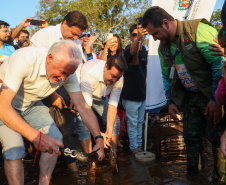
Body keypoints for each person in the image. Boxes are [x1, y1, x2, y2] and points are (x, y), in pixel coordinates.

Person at [0, 40, 104, 185]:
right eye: (62, 72)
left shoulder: (67, 72)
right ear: (50, 58)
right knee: (15, 149)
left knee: (56, 139)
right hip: (5, 103)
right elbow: (2, 106)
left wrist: (98, 138)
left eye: (68, 75)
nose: (63, 79)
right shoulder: (24, 59)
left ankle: (44, 182)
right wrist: (35, 136)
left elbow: (82, 105)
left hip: (30, 104)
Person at [142, 6, 226, 179]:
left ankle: (220, 177)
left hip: (212, 95)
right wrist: (170, 102)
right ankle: (194, 177)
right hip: (190, 98)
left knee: (217, 139)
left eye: (155, 33)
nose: (155, 39)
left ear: (166, 23)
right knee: (191, 138)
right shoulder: (163, 48)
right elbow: (166, 76)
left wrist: (215, 100)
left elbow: (218, 66)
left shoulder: (198, 31)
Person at [75, 54, 128, 157]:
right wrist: (99, 135)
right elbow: (86, 110)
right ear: (105, 67)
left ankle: (113, 156)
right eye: (112, 76)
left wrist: (108, 132)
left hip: (100, 97)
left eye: (117, 77)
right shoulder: (89, 73)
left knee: (115, 122)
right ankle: (90, 159)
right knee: (83, 124)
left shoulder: (119, 78)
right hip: (84, 95)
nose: (114, 81)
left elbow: (113, 105)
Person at [121, 24, 147, 154]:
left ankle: (139, 146)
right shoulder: (127, 49)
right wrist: (139, 39)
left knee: (140, 122)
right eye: (134, 35)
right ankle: (133, 149)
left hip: (142, 94)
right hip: (130, 95)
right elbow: (132, 52)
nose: (137, 37)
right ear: (131, 37)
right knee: (132, 124)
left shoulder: (145, 49)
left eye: (140, 34)